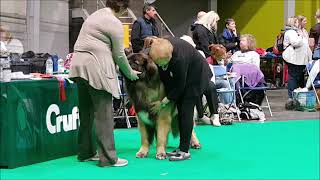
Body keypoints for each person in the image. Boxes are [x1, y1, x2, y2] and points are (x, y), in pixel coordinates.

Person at [69, 0, 140, 167]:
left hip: (78, 66)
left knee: (86, 113)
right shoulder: (114, 22)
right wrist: (130, 73)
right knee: (104, 114)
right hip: (95, 66)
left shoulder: (94, 15)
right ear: (122, 7)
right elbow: (120, 55)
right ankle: (108, 158)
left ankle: (85, 153)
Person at [147, 37, 214, 161]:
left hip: (196, 77)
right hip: (185, 76)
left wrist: (163, 102)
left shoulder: (179, 59)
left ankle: (184, 151)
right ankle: (183, 145)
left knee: (185, 111)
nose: (161, 65)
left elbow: (180, 86)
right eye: (159, 63)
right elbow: (165, 75)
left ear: (170, 55)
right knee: (180, 108)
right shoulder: (158, 49)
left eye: (164, 62)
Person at [282, 17, 312, 108]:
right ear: (293, 23)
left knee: (299, 78)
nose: (298, 23)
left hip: (300, 59)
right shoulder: (291, 32)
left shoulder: (297, 31)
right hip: (294, 59)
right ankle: (292, 98)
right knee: (294, 78)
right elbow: (295, 43)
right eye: (296, 22)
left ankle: (299, 99)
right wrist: (300, 35)